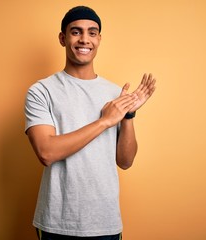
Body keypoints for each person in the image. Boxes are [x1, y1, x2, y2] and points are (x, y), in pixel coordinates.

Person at [24, 6, 156, 240]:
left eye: (92, 32)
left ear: (99, 39)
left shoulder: (116, 93)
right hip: (57, 223)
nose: (84, 39)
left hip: (105, 222)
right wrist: (105, 121)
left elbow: (125, 161)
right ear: (63, 39)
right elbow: (46, 151)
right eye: (76, 32)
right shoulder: (41, 91)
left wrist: (128, 115)